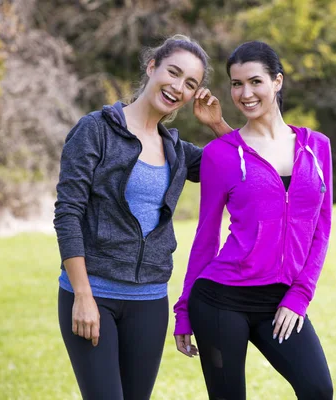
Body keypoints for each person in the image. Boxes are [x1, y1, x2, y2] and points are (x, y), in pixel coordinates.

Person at [54, 34, 232, 400]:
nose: (178, 87)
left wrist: (217, 125)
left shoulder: (178, 151)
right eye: (173, 72)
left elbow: (242, 166)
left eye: (191, 84)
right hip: (94, 294)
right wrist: (83, 296)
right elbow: (68, 213)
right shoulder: (96, 131)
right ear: (152, 67)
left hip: (150, 301)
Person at [173, 41, 334, 399]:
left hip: (281, 299)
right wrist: (184, 309)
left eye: (255, 81)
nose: (245, 93)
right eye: (235, 83)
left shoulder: (316, 146)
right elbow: (206, 236)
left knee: (318, 389)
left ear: (277, 82)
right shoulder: (220, 154)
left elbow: (322, 228)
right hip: (220, 300)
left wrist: (300, 296)